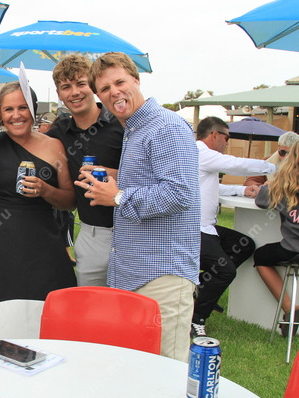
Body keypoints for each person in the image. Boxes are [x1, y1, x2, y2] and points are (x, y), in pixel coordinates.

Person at [78, 52, 200, 362]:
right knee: (138, 369)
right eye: (105, 89)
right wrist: (114, 179)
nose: (114, 92)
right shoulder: (135, 129)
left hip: (163, 277)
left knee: (166, 370)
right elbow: (153, 181)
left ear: (136, 79)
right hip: (134, 275)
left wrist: (118, 197)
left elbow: (180, 193)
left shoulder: (166, 126)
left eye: (120, 82)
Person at [0, 81, 76, 313]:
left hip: (42, 245)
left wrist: (46, 190)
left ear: (33, 109)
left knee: (44, 313)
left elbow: (70, 201)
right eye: (8, 109)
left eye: (23, 107)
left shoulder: (54, 146)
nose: (16, 115)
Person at [191, 116, 275, 338]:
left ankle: (203, 285)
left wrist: (241, 190)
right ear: (214, 135)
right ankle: (197, 318)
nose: (227, 143)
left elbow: (211, 187)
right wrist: (275, 166)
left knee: (244, 244)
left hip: (207, 227)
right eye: (226, 138)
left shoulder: (203, 158)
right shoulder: (200, 152)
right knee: (225, 270)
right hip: (194, 230)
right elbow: (237, 164)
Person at [45, 53, 124, 286]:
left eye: (80, 84)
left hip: (132, 230)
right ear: (59, 94)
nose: (74, 92)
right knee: (90, 303)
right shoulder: (59, 132)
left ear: (93, 86)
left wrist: (115, 176)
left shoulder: (121, 124)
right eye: (66, 87)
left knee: (133, 304)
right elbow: (28, 144)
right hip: (92, 234)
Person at [253, 141, 299, 337]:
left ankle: (290, 308)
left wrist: (267, 185)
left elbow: (261, 200)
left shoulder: (284, 182)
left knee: (260, 256)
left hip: (291, 249)